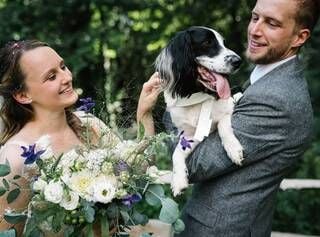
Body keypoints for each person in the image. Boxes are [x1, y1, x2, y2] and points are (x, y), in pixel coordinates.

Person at [139, 0, 320, 236]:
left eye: (272, 23)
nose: (255, 30)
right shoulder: (265, 81)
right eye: (255, 18)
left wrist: (175, 96)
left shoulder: (277, 100)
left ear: (299, 37)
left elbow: (194, 165)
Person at [0, 40, 158, 236]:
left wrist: (144, 113)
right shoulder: (15, 158)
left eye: (63, 66)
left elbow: (138, 170)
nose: (66, 77)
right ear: (23, 95)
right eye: (51, 76)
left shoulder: (89, 125)